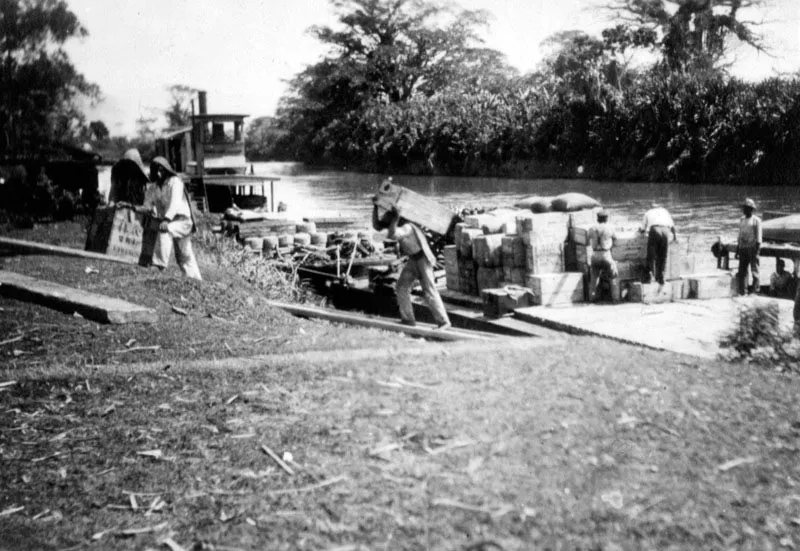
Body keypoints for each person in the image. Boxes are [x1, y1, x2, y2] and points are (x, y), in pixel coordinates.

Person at [372, 201, 451, 329]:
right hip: (413, 260)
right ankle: (408, 319)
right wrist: (375, 207)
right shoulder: (399, 226)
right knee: (401, 287)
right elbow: (376, 225)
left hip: (423, 260)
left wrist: (396, 217)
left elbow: (392, 234)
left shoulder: (407, 228)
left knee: (429, 291)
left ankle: (444, 322)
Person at [142, 156, 202, 281]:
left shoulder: (175, 181)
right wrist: (133, 208)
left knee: (166, 230)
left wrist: (167, 219)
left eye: (161, 170)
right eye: (156, 170)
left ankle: (159, 264)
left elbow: (175, 203)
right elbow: (147, 206)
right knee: (184, 255)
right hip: (169, 221)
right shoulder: (153, 187)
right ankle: (195, 280)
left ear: (166, 170)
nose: (159, 173)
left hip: (182, 221)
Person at [640, 202, 677, 285]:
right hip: (665, 230)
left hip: (655, 230)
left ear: (651, 207)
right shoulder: (664, 211)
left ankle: (649, 277)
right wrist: (675, 237)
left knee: (651, 255)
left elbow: (643, 228)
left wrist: (641, 230)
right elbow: (672, 226)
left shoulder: (648, 212)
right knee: (663, 256)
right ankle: (661, 278)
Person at [588, 209, 618, 302]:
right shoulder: (610, 228)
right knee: (613, 277)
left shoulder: (592, 228)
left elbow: (587, 239)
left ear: (597, 219)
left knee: (594, 278)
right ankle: (615, 299)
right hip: (606, 255)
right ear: (606, 219)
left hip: (595, 255)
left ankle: (591, 299)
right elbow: (615, 239)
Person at [736, 198, 762, 295]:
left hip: (752, 248)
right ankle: (743, 291)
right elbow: (739, 236)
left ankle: (755, 291)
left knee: (754, 270)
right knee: (742, 271)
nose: (744, 210)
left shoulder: (756, 221)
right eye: (744, 208)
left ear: (751, 209)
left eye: (746, 208)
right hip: (743, 247)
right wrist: (738, 250)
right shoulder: (741, 220)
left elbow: (759, 238)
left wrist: (757, 251)